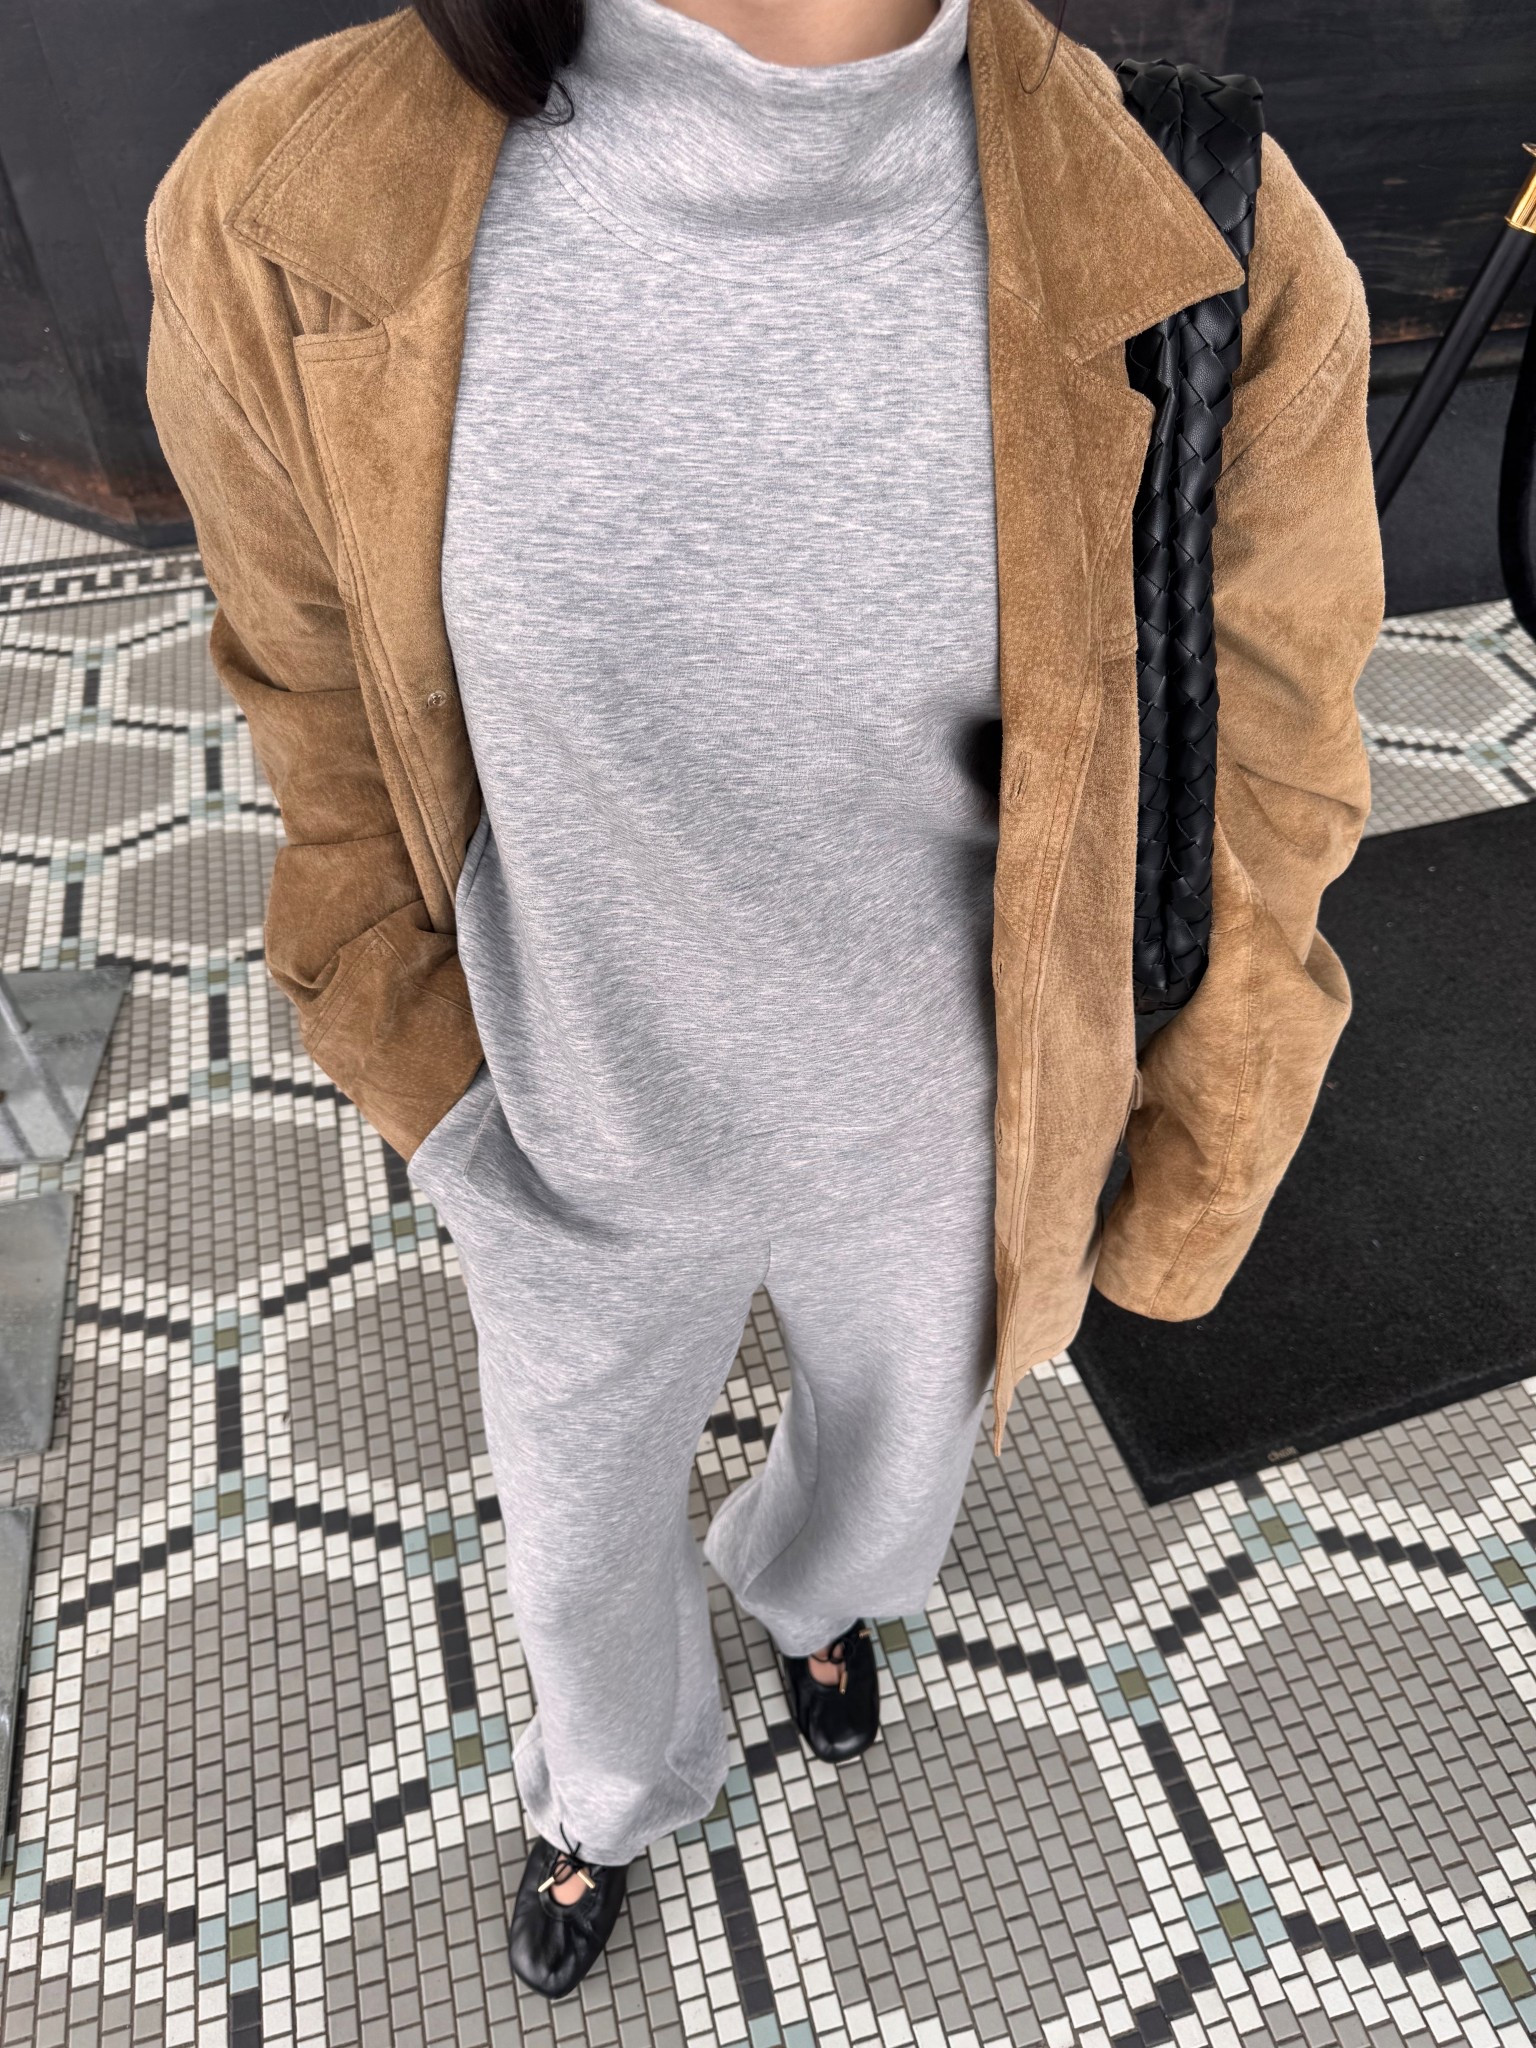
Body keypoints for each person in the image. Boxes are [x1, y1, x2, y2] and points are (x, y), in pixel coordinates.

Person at [144, 0, 1382, 2001]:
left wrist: (1186, 1135)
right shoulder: (291, 195)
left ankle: (809, 1593)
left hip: (946, 1119)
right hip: (564, 1106)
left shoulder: (1201, 222)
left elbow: (1278, 763)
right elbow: (309, 692)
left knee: (891, 1486)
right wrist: (430, 1072)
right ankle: (609, 1787)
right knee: (575, 1545)